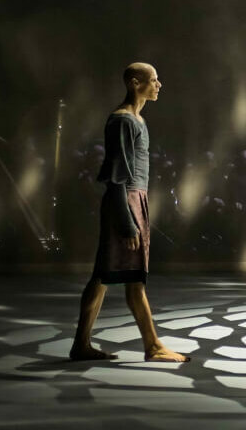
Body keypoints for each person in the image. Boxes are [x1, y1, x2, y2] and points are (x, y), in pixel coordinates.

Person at [69, 62, 189, 363]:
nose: (159, 84)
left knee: (104, 276)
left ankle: (82, 345)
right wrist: (127, 221)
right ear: (135, 83)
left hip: (134, 201)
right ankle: (153, 346)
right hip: (126, 202)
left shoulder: (136, 120)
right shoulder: (123, 121)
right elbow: (116, 176)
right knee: (130, 278)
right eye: (153, 80)